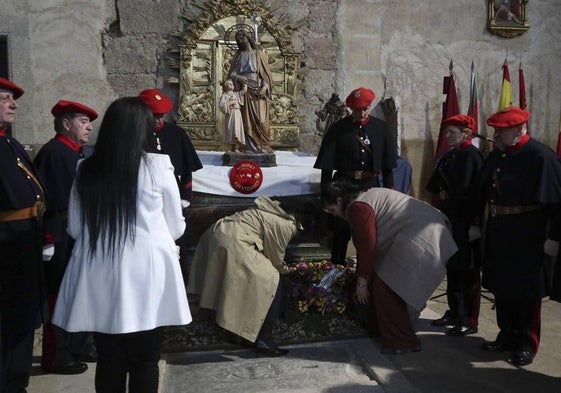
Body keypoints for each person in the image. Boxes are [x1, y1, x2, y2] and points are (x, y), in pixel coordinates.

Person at [52, 97, 192, 392]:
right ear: (141, 130)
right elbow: (176, 226)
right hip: (148, 272)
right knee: (145, 358)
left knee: (109, 358)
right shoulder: (158, 164)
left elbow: (76, 227)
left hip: (100, 270)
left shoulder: (86, 167)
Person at [322, 180, 457, 354]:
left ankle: (404, 341)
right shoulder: (363, 198)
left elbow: (367, 245)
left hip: (424, 234)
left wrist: (361, 283)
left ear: (340, 200)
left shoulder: (357, 207)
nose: (334, 215)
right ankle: (384, 330)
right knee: (383, 283)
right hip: (424, 230)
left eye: (332, 210)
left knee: (386, 287)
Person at [475, 106, 561, 366]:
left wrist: (554, 237)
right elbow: (481, 191)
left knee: (527, 291)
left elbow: (557, 202)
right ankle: (507, 334)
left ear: (519, 129)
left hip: (529, 232)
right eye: (495, 130)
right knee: (502, 285)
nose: (496, 135)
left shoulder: (541, 157)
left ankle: (526, 342)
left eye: (501, 131)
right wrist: (477, 222)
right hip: (500, 230)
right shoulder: (498, 155)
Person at [187, 196, 305, 357]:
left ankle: (238, 334)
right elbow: (275, 257)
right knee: (273, 282)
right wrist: (284, 272)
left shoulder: (270, 210)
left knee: (238, 284)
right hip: (233, 241)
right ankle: (263, 338)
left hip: (217, 234)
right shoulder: (287, 223)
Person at [33, 100, 99, 375]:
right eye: (84, 121)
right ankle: (55, 355)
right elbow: (44, 201)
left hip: (77, 230)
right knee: (58, 295)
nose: (89, 127)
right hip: (60, 232)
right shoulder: (53, 152)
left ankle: (77, 345)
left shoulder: (77, 153)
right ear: (66, 123)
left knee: (79, 291)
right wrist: (47, 238)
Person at [314, 87, 397, 265]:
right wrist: (326, 197)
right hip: (344, 185)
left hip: (370, 186)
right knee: (340, 233)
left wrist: (390, 194)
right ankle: (336, 271)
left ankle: (364, 275)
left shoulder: (380, 128)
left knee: (366, 234)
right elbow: (326, 167)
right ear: (351, 108)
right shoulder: (338, 129)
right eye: (358, 109)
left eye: (365, 108)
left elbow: (388, 166)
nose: (362, 113)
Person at [0, 77, 47, 393]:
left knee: (21, 316)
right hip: (5, 244)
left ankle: (16, 382)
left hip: (22, 241)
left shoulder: (9, 142)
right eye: (5, 98)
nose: (14, 104)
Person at [426, 114, 485, 336]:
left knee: (468, 271)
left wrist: (475, 223)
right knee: (452, 267)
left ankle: (468, 318)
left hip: (466, 219)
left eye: (452, 132)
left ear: (467, 133)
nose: (447, 135)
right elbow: (435, 186)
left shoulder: (473, 156)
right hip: (450, 216)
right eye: (446, 131)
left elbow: (478, 194)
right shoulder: (450, 156)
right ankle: (453, 311)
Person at [138, 88, 202, 283]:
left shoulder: (177, 133)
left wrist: (185, 197)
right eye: (154, 115)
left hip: (173, 201)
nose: (158, 120)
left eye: (161, 115)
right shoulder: (134, 135)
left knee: (177, 246)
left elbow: (186, 169)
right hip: (145, 205)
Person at [228, 29, 274, 153]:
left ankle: (263, 145)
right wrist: (237, 77)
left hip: (258, 89)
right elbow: (231, 75)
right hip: (244, 90)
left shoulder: (259, 54)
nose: (240, 41)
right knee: (245, 120)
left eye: (242, 38)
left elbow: (266, 75)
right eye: (237, 40)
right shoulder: (238, 56)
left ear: (248, 38)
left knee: (261, 120)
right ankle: (246, 146)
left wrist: (265, 87)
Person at [218, 79, 247, 152]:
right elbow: (221, 105)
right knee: (230, 130)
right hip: (230, 114)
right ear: (225, 86)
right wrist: (230, 103)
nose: (232, 85)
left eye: (232, 84)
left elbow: (244, 91)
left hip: (237, 113)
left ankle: (237, 148)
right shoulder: (224, 96)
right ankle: (230, 147)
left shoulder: (236, 94)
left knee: (237, 130)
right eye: (229, 84)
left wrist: (244, 83)